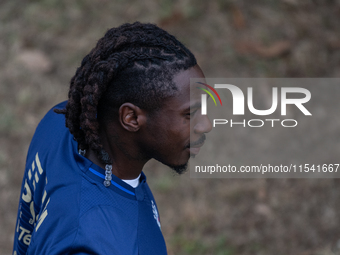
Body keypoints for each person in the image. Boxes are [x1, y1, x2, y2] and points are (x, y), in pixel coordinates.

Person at [13, 22, 212, 255]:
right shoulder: (95, 242)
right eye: (189, 114)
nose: (206, 125)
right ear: (131, 118)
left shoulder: (61, 121)